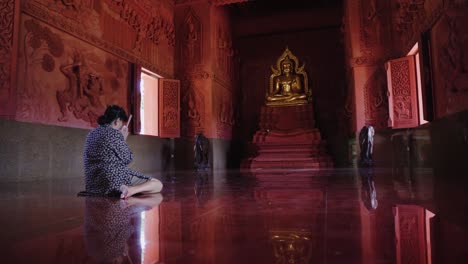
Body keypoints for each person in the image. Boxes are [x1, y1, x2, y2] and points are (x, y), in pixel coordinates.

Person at [83, 105, 163, 198]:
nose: (121, 126)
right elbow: (128, 158)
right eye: (121, 123)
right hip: (112, 180)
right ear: (117, 121)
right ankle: (130, 190)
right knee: (157, 184)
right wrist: (123, 138)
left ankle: (125, 189)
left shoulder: (91, 133)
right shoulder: (114, 133)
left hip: (93, 184)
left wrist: (120, 139)